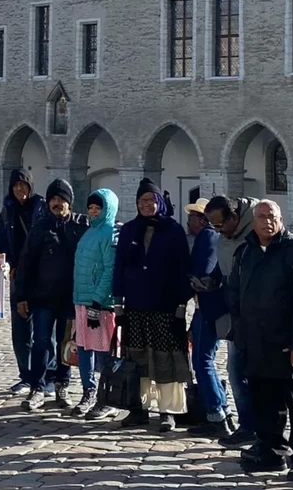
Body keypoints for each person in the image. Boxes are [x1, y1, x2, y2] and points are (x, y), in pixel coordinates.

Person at [228, 199, 293, 481]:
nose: (268, 222)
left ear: (281, 220)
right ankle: (271, 451)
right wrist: (240, 334)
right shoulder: (245, 252)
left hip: (289, 344)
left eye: (273, 217)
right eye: (262, 217)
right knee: (265, 403)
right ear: (252, 221)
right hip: (256, 341)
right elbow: (235, 295)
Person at [113, 183, 192, 432]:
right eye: (141, 201)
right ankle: (139, 408)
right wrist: (118, 303)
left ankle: (167, 411)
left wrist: (181, 304)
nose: (146, 205)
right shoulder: (128, 230)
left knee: (165, 357)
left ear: (159, 200)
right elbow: (119, 267)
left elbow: (182, 268)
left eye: (150, 200)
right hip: (136, 305)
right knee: (137, 358)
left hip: (164, 305)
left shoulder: (173, 230)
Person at [15, 178, 86, 412]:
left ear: (69, 202)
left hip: (70, 298)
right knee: (41, 342)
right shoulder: (40, 227)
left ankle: (62, 385)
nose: (57, 203)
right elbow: (26, 262)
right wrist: (21, 296)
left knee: (65, 345)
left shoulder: (80, 226)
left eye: (61, 199)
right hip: (43, 297)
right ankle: (37, 387)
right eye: (53, 199)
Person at [203, 195, 259, 446]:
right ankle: (247, 425)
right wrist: (212, 280)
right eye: (212, 226)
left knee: (258, 374)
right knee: (236, 371)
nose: (218, 230)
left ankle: (264, 430)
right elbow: (224, 265)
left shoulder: (257, 231)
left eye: (220, 224)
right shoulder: (226, 237)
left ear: (235, 217)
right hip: (234, 315)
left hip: (258, 316)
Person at [0, 167, 48, 397]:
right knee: (21, 329)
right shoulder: (7, 211)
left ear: (30, 186)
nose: (20, 189)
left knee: (45, 330)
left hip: (41, 276)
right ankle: (25, 376)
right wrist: (6, 262)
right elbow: (0, 240)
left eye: (24, 184)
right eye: (16, 185)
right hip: (18, 276)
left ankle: (45, 378)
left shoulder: (42, 207)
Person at [185, 198, 235, 439]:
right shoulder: (215, 237)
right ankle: (221, 409)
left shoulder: (207, 236)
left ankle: (216, 413)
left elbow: (204, 271)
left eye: (192, 218)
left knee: (202, 361)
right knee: (206, 360)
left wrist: (189, 281)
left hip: (207, 307)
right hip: (211, 307)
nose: (188, 223)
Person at [69, 189, 119, 420]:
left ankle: (107, 396)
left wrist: (98, 298)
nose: (93, 212)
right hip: (82, 300)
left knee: (104, 352)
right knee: (84, 348)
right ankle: (88, 390)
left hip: (99, 304)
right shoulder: (89, 232)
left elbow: (110, 269)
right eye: (90, 208)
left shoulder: (110, 233)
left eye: (97, 208)